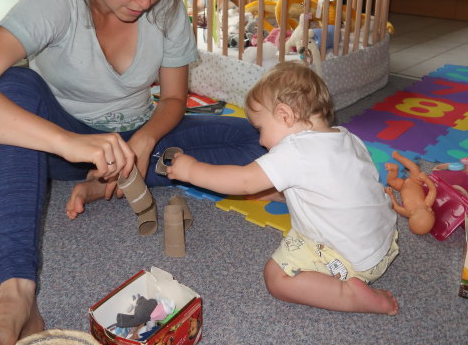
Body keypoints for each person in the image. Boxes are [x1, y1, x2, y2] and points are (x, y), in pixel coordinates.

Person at [0, 0, 265, 345]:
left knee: (259, 137)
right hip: (55, 146)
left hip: (131, 140)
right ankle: (16, 295)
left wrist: (144, 141)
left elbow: (172, 100)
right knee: (13, 84)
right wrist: (72, 143)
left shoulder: (165, 6)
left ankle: (110, 183)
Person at [166, 61, 400, 315]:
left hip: (353, 262)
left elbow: (245, 180)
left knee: (276, 278)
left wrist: (191, 171)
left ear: (285, 115)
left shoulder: (295, 150)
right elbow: (327, 192)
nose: (261, 140)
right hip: (385, 241)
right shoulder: (346, 137)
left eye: (261, 129)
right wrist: (268, 193)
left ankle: (354, 296)